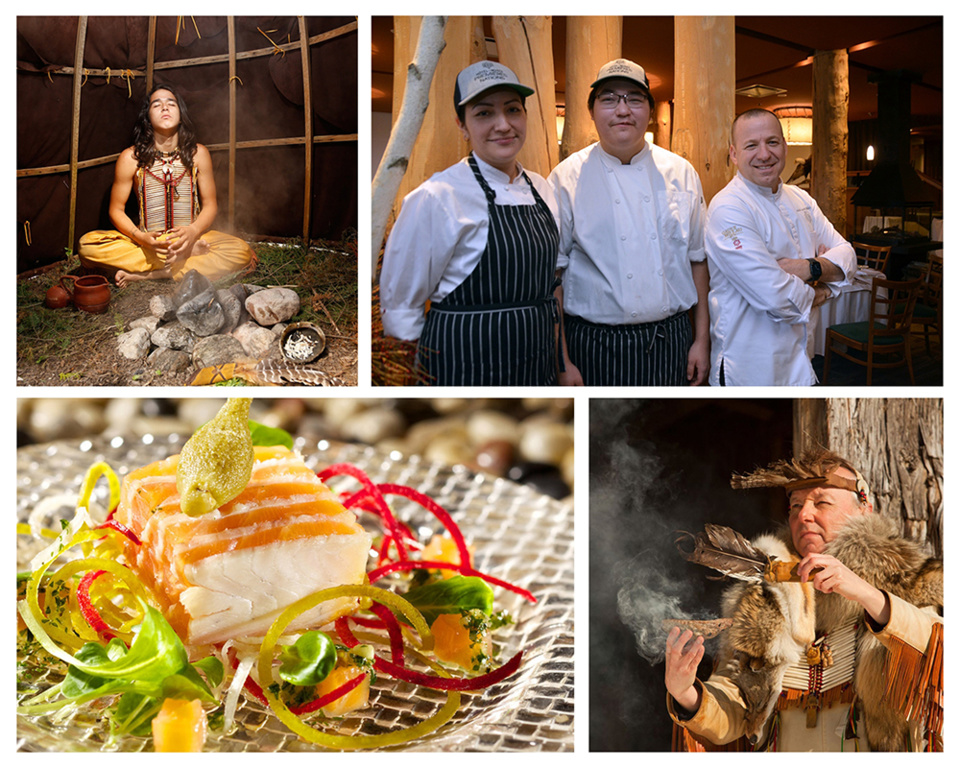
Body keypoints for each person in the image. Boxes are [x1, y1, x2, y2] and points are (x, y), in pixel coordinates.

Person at [664, 449, 943, 752]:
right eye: (795, 505)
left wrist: (866, 594)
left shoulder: (906, 579)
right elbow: (738, 707)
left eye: (821, 502)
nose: (803, 515)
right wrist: (687, 694)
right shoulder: (764, 596)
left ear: (865, 509)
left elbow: (939, 660)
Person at [379, 61, 561, 386]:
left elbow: (553, 280)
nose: (503, 125)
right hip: (461, 364)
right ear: (462, 125)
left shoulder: (542, 188)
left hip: (536, 359)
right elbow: (401, 305)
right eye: (484, 113)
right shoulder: (437, 197)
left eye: (513, 110)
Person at [548, 59, 709, 386]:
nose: (623, 110)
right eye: (609, 99)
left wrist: (702, 340)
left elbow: (699, 262)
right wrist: (562, 359)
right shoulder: (565, 178)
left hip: (672, 339)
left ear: (649, 110)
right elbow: (553, 276)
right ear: (591, 111)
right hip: (592, 344)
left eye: (634, 98)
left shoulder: (681, 172)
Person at [706, 108, 856, 385]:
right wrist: (823, 288)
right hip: (750, 370)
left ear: (785, 147)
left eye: (772, 142)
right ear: (734, 154)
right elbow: (774, 296)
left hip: (801, 363)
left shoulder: (801, 198)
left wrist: (807, 268)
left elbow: (848, 257)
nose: (764, 154)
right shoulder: (728, 207)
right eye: (751, 145)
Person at [79, 83, 255, 287]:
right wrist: (142, 238)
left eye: (171, 103)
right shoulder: (130, 158)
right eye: (157, 105)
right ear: (147, 117)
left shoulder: (198, 154)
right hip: (148, 244)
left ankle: (151, 273)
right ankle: (186, 260)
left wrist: (192, 232)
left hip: (191, 238)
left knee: (240, 250)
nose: (164, 108)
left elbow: (210, 205)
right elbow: (116, 210)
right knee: (87, 245)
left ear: (181, 114)